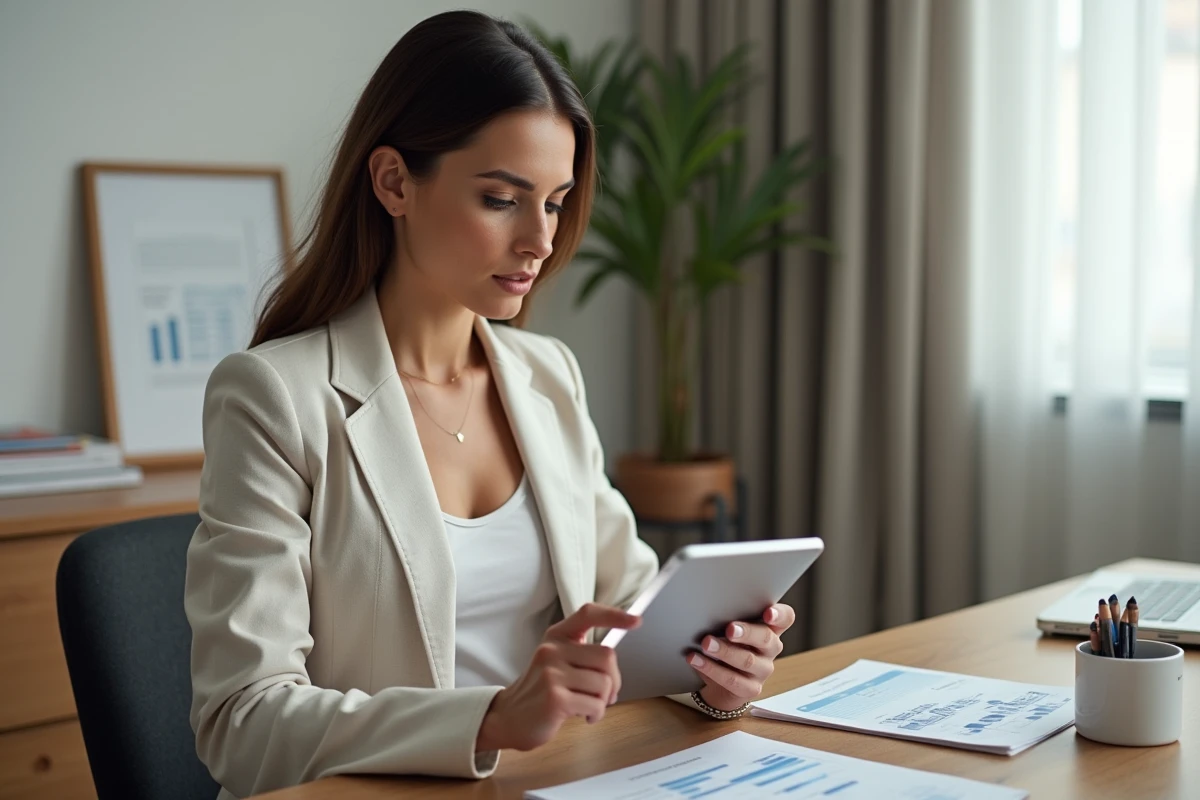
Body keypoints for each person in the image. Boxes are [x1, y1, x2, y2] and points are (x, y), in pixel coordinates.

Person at [183, 10, 795, 799]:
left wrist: (714, 672)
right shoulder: (275, 397)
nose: (541, 240)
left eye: (555, 201)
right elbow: (242, 723)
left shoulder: (547, 377)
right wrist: (492, 718)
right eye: (503, 199)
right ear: (394, 182)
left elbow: (633, 614)